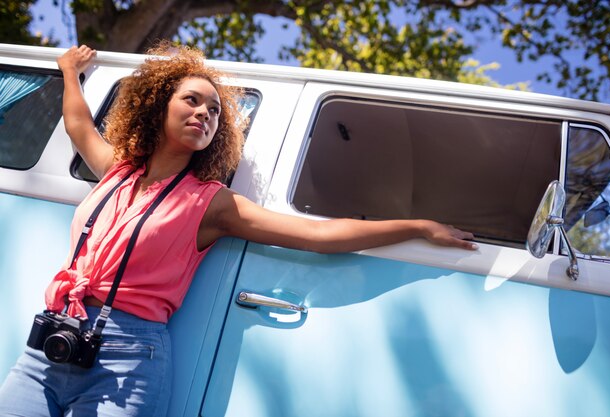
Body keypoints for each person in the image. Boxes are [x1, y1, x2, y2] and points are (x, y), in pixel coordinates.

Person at [0, 43, 477, 417]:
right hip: (52, 339)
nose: (204, 113)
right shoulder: (117, 170)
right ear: (156, 106)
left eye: (213, 112)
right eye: (192, 101)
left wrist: (416, 226)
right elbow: (79, 124)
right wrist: (68, 70)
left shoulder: (211, 204)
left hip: (127, 358)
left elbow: (318, 235)